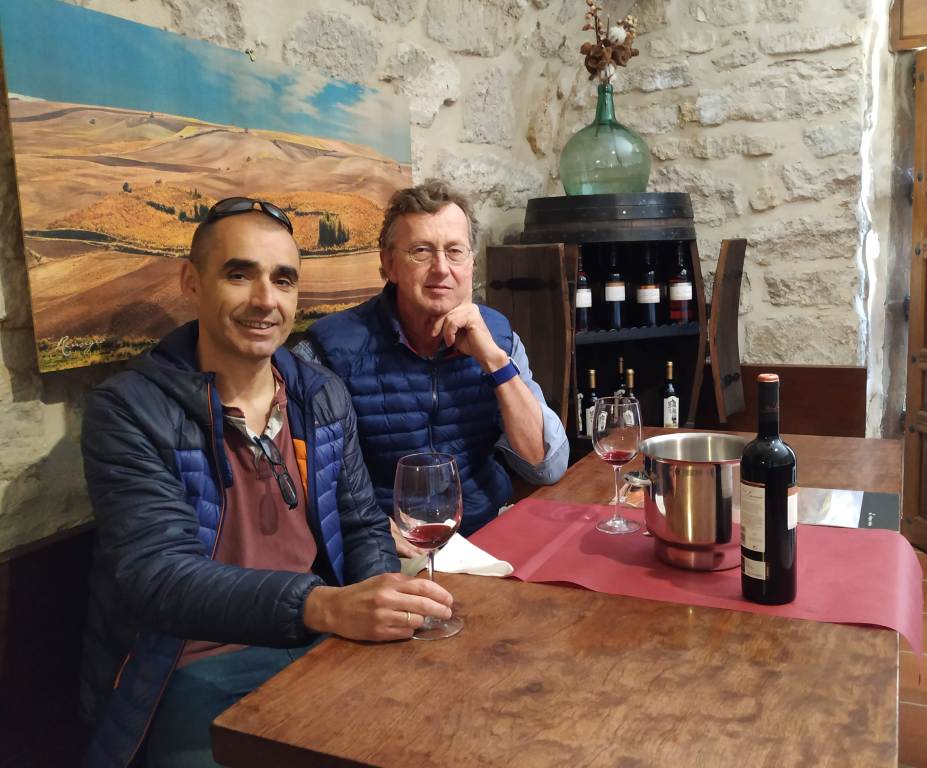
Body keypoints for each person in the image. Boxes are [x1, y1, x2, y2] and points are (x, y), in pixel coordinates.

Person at [79, 198, 453, 768]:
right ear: (191, 281)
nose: (265, 300)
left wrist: (382, 603)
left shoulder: (320, 394)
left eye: (283, 280)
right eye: (239, 274)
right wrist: (322, 606)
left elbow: (359, 524)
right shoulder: (129, 409)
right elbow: (158, 576)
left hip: (317, 643)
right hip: (187, 667)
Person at [295, 180, 569, 549]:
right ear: (389, 264)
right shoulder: (330, 349)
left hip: (487, 534)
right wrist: (372, 530)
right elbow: (308, 480)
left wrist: (494, 361)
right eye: (421, 251)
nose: (441, 269)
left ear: (471, 263)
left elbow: (545, 465)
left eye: (455, 251)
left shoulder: (499, 338)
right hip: (387, 549)